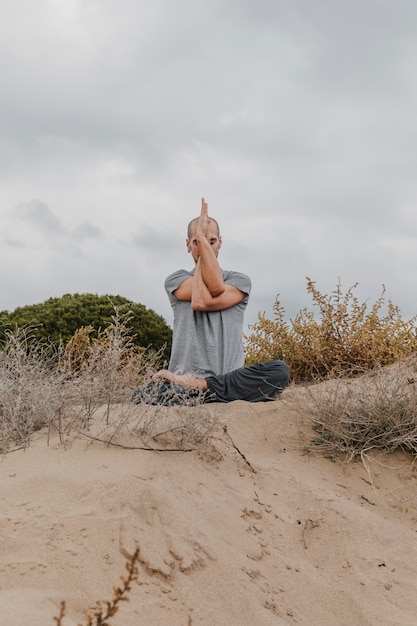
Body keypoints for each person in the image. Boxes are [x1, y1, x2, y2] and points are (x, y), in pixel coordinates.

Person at [132, 198, 290, 405]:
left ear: (220, 242)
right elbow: (199, 298)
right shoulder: (176, 280)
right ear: (188, 245)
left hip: (229, 380)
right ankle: (201, 391)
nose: (204, 246)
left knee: (279, 371)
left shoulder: (239, 280)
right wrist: (203, 246)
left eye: (211, 241)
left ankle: (204, 386)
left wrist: (201, 241)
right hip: (182, 381)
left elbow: (211, 292)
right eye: (197, 242)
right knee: (142, 395)